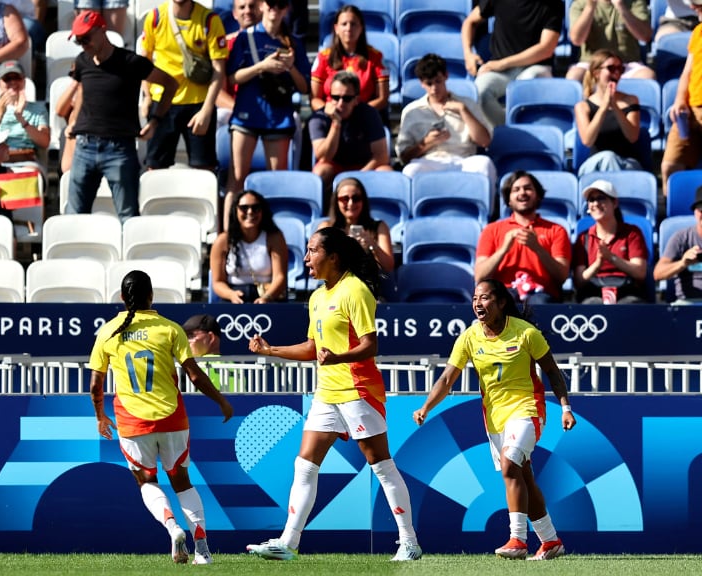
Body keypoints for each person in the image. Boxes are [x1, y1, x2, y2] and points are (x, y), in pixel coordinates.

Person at [246, 227, 422, 562]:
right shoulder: (316, 297)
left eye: (312, 251)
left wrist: (339, 356)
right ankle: (288, 542)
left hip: (358, 389)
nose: (307, 258)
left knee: (381, 466)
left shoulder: (355, 290)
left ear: (334, 257)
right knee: (304, 465)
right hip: (327, 391)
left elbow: (371, 344)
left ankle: (409, 541)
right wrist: (272, 350)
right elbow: (314, 347)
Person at [412, 278, 575, 561]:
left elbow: (552, 371)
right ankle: (550, 541)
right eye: (475, 298)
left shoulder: (525, 333)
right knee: (523, 476)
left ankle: (517, 540)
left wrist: (565, 407)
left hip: (528, 410)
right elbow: (447, 378)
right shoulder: (470, 337)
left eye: (485, 298)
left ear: (501, 302)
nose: (478, 303)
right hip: (495, 419)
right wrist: (426, 406)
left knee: (510, 465)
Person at [89, 270, 234, 566]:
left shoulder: (108, 331)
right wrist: (221, 401)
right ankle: (202, 548)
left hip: (132, 421)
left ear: (121, 297)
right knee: (182, 482)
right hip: (172, 418)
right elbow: (194, 374)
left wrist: (100, 416)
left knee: (146, 481)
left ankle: (172, 527)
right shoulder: (169, 329)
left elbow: (95, 385)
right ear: (151, 296)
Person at [64, 10, 178, 223]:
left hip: (119, 149)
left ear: (102, 30)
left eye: (86, 38)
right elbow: (82, 92)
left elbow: (170, 84)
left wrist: (155, 121)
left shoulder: (131, 62)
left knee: (128, 217)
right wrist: (73, 122)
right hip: (84, 147)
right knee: (74, 216)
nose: (83, 44)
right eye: (79, 41)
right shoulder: (82, 62)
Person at [224, 0, 310, 227]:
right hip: (247, 113)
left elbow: (305, 88)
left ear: (287, 8)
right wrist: (261, 66)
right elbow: (232, 78)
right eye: (270, 2)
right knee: (237, 179)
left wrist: (290, 67)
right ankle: (228, 234)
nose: (275, 7)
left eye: (279, 3)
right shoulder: (246, 37)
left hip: (277, 117)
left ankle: (273, 234)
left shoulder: (293, 43)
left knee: (275, 181)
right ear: (262, 6)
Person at [140, 0, 228, 171]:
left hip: (197, 103)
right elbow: (145, 61)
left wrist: (207, 110)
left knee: (205, 169)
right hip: (163, 103)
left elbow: (219, 68)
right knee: (155, 167)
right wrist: (147, 97)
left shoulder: (209, 20)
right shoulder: (155, 18)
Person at [395, 52, 495, 187]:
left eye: (438, 81)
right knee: (410, 171)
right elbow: (404, 157)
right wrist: (426, 143)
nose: (434, 88)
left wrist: (463, 111)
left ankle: (485, 207)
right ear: (421, 83)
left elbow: (484, 141)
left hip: (463, 160)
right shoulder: (412, 111)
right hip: (429, 161)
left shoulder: (466, 104)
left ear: (446, 76)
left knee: (484, 164)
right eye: (429, 83)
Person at [460, 0, 563, 127]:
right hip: (500, 71)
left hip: (536, 67)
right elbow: (470, 22)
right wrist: (468, 54)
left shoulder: (553, 4)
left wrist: (503, 63)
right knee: (480, 92)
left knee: (523, 87)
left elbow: (546, 49)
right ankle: (506, 132)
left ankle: (520, 134)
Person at [475, 170, 572, 304]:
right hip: (504, 293)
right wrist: (503, 249)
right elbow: (480, 276)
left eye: (528, 188)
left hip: (541, 294)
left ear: (538, 195)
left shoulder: (556, 230)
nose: (522, 193)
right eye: (516, 190)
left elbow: (562, 276)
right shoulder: (491, 230)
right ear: (508, 199)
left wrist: (537, 248)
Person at [308, 71, 391, 206]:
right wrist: (336, 123)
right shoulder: (319, 118)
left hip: (365, 166)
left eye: (347, 98)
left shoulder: (370, 114)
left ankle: (385, 216)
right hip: (335, 166)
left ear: (356, 99)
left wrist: (356, 178)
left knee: (386, 172)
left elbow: (381, 156)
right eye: (335, 97)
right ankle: (323, 213)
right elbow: (324, 157)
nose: (340, 103)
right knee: (320, 172)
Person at [573, 179, 649, 303]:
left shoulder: (632, 233)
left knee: (630, 305)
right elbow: (579, 281)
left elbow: (640, 272)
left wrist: (611, 258)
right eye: (591, 200)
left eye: (601, 198)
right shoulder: (584, 238)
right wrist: (598, 263)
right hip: (593, 291)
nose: (596, 203)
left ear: (614, 203)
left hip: (626, 291)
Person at [210, 189, 288, 303]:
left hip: (267, 294)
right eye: (244, 208)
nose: (250, 212)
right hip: (233, 295)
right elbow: (217, 282)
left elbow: (280, 277)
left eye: (255, 207)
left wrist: (267, 297)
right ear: (235, 211)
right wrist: (231, 295)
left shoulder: (274, 237)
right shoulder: (222, 241)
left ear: (262, 211)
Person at [310, 5, 389, 117]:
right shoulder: (323, 57)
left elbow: (382, 98)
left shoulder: (375, 57)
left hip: (363, 117)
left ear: (361, 28)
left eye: (353, 24)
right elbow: (314, 98)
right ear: (336, 28)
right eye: (344, 24)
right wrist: (328, 111)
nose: (348, 28)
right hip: (331, 116)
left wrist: (358, 113)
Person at [574, 49, 643, 176]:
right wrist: (604, 107)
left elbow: (632, 137)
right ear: (596, 73)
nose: (616, 73)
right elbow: (587, 140)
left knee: (611, 159)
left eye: (620, 69)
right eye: (611, 68)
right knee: (608, 158)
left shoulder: (631, 101)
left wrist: (615, 107)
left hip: (626, 164)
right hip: (595, 165)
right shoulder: (583, 106)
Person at [661, 0, 702, 195]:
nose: (694, 7)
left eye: (699, 5)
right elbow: (687, 72)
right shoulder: (698, 33)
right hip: (690, 111)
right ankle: (674, 211)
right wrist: (679, 100)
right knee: (670, 166)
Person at [0, 60, 49, 169]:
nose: (13, 82)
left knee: (30, 172)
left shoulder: (38, 109)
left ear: (24, 81)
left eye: (17, 78)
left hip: (25, 158)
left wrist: (21, 119)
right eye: (7, 79)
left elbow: (44, 142)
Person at [317, 176, 394, 274]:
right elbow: (318, 264)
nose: (351, 203)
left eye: (356, 198)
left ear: (363, 201)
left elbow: (388, 267)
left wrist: (372, 245)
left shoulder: (379, 227)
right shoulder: (327, 228)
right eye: (344, 199)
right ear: (336, 202)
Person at [566, 0, 655, 83]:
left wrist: (621, 7)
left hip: (627, 63)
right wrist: (590, 7)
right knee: (573, 76)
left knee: (647, 76)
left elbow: (645, 36)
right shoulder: (580, 4)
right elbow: (576, 40)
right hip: (592, 63)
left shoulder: (635, 2)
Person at [215, 0, 262, 125]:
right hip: (233, 108)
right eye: (242, 7)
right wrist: (240, 110)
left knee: (294, 119)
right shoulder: (224, 45)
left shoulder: (274, 43)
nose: (247, 11)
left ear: (260, 9)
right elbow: (218, 93)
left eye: (252, 6)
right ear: (235, 14)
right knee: (220, 116)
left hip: (267, 109)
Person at [654, 185, 702, 304]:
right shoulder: (682, 237)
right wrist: (683, 263)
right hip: (688, 302)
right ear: (696, 213)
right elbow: (658, 273)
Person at [183, 313, 227, 390]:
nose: (187, 341)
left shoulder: (193, 368)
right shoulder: (239, 368)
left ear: (211, 337)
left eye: (191, 336)